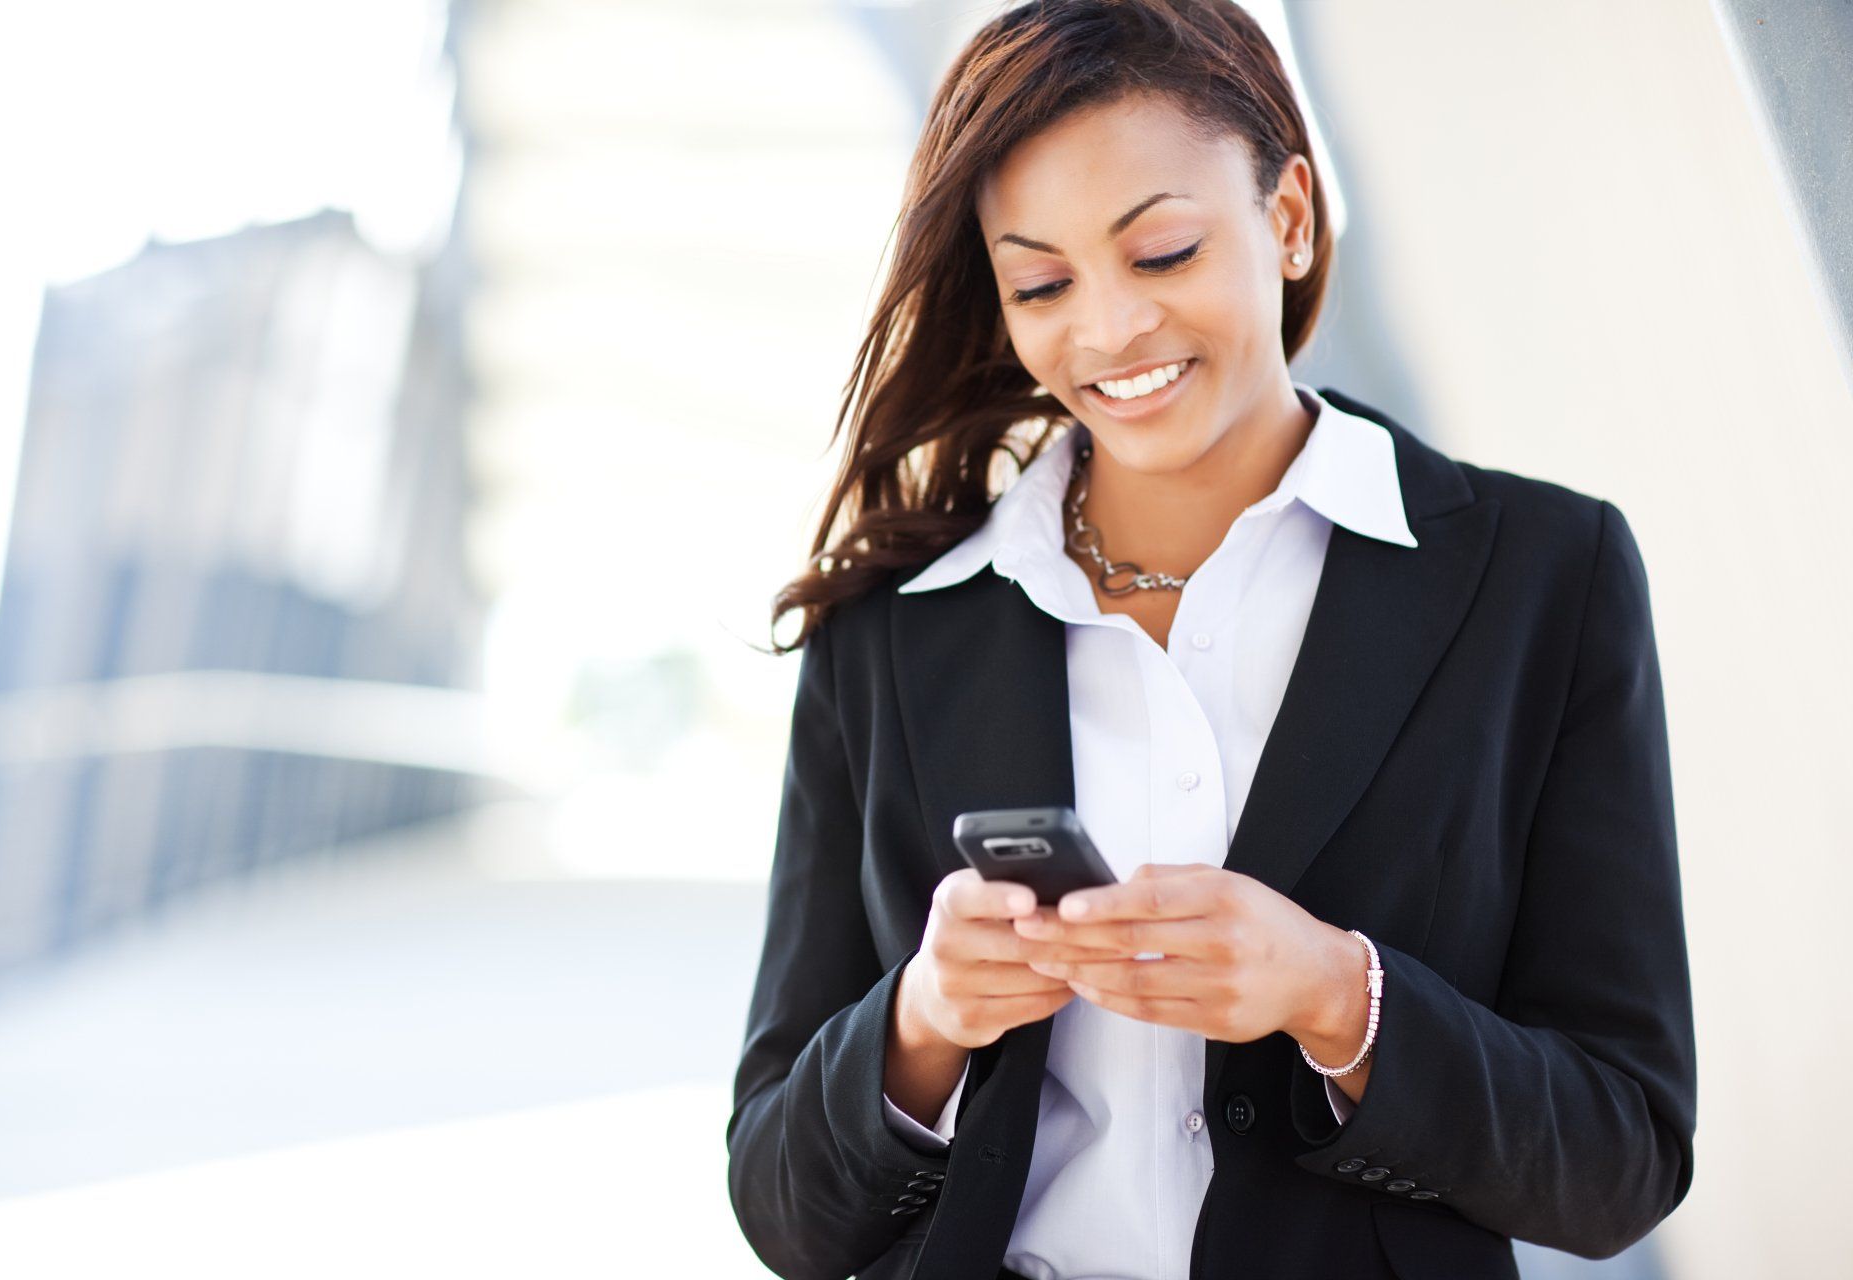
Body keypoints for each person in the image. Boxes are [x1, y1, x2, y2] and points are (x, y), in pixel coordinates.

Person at [725, 3, 1696, 1278]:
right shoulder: (891, 636)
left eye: (1165, 252)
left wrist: (1341, 999)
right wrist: (926, 1017)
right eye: (1042, 283)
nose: (1110, 330)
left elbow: (1623, 1151)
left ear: (1289, 217)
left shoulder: (1541, 579)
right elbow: (784, 1210)